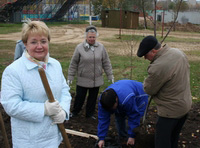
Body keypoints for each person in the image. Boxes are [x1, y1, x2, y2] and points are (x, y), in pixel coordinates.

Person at [1, 20, 72, 148]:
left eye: (43, 41)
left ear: (48, 42)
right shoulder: (14, 71)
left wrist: (63, 111)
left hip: (54, 137)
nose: (39, 46)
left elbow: (64, 90)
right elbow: (11, 105)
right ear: (25, 44)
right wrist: (43, 110)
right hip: (30, 141)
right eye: (33, 42)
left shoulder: (55, 65)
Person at [137, 35, 192, 148]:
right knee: (173, 138)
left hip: (170, 112)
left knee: (162, 142)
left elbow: (149, 89)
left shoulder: (159, 66)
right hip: (184, 106)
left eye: (145, 55)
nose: (145, 58)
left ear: (153, 51)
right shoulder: (178, 53)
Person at [67, 25, 114, 119]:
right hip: (83, 78)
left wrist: (110, 75)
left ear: (96, 37)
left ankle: (90, 114)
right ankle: (75, 112)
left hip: (96, 79)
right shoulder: (79, 48)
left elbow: (106, 62)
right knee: (80, 97)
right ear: (86, 37)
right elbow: (73, 63)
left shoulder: (101, 47)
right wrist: (70, 77)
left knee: (93, 98)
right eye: (90, 37)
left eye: (93, 37)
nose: (92, 39)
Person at [97, 79, 149, 148]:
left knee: (138, 118)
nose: (111, 110)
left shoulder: (127, 99)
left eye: (112, 107)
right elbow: (103, 120)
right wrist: (101, 138)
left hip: (140, 95)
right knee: (119, 117)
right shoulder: (103, 102)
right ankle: (123, 137)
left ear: (116, 100)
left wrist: (132, 136)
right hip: (123, 91)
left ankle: (136, 140)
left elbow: (134, 116)